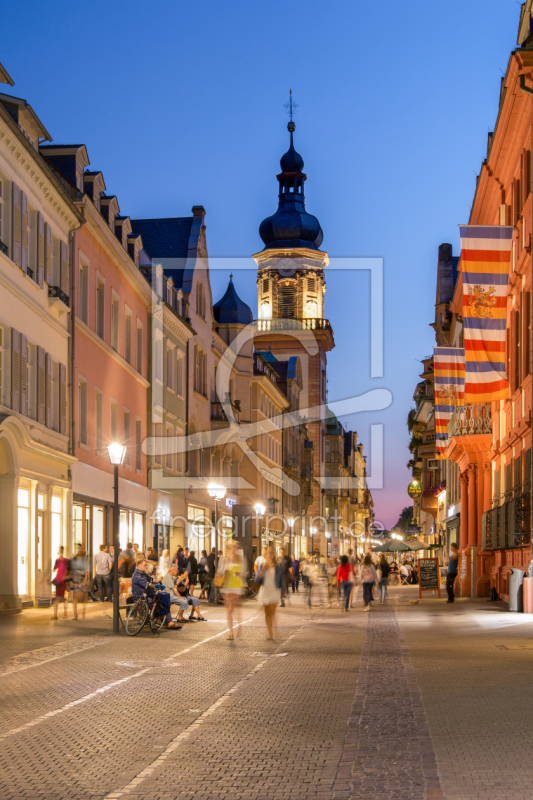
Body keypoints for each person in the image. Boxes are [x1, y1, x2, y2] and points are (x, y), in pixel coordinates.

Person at [131, 559, 180, 628]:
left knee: (165, 596)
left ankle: (164, 620)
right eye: (145, 565)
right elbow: (147, 584)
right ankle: (167, 621)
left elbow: (150, 579)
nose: (146, 567)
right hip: (142, 597)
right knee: (163, 599)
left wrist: (155, 581)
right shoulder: (137, 575)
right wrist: (153, 584)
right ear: (139, 566)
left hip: (149, 595)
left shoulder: (142, 573)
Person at [218, 541, 246, 640]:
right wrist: (224, 566)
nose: (235, 549)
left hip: (238, 587)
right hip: (228, 586)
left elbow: (245, 573)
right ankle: (231, 633)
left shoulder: (241, 558)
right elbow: (220, 572)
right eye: (234, 547)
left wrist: (240, 574)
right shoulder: (225, 558)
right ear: (230, 548)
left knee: (235, 608)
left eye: (237, 547)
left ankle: (239, 626)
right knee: (229, 610)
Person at [255, 548, 284, 640]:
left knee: (272, 611)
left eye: (271, 553)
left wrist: (283, 591)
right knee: (267, 613)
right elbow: (257, 580)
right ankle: (270, 632)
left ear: (274, 555)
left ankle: (274, 625)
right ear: (266, 555)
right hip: (265, 590)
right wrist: (262, 571)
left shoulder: (279, 566)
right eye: (268, 553)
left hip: (274, 590)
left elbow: (282, 580)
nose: (270, 555)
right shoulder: (262, 566)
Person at [70, 545, 89, 620]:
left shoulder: (85, 558)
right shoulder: (74, 558)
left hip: (82, 578)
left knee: (84, 596)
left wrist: (86, 578)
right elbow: (71, 568)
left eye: (81, 549)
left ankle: (83, 613)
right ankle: (75, 614)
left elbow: (86, 569)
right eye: (79, 549)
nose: (80, 550)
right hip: (75, 578)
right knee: (74, 597)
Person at [51, 546, 69, 619]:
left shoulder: (58, 560)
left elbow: (54, 570)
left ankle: (55, 614)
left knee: (57, 598)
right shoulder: (66, 561)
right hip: (63, 580)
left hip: (59, 580)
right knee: (64, 598)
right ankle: (65, 614)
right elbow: (68, 570)